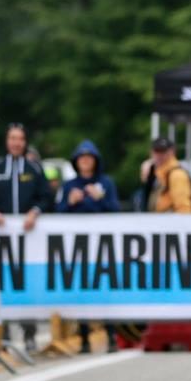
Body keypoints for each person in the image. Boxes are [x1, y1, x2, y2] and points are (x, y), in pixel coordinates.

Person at [0, 123, 53, 352]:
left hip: (27, 238)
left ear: (25, 142)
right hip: (1, 237)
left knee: (26, 282)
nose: (16, 143)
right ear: (7, 141)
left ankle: (29, 332)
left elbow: (46, 198)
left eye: (20, 139)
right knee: (1, 282)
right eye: (12, 138)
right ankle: (4, 333)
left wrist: (34, 213)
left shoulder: (34, 169)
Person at [57, 139, 120, 354]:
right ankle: (84, 338)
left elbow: (115, 210)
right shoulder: (69, 186)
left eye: (89, 158)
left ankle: (111, 336)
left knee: (105, 289)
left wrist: (100, 198)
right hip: (79, 247)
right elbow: (58, 214)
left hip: (102, 246)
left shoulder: (106, 183)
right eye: (81, 158)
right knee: (82, 290)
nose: (85, 161)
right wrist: (69, 202)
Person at [141, 137, 191, 213]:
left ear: (172, 152)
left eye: (163, 151)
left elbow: (184, 209)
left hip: (170, 222)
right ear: (151, 152)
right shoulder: (157, 172)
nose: (159, 155)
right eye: (156, 151)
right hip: (163, 221)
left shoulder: (177, 175)